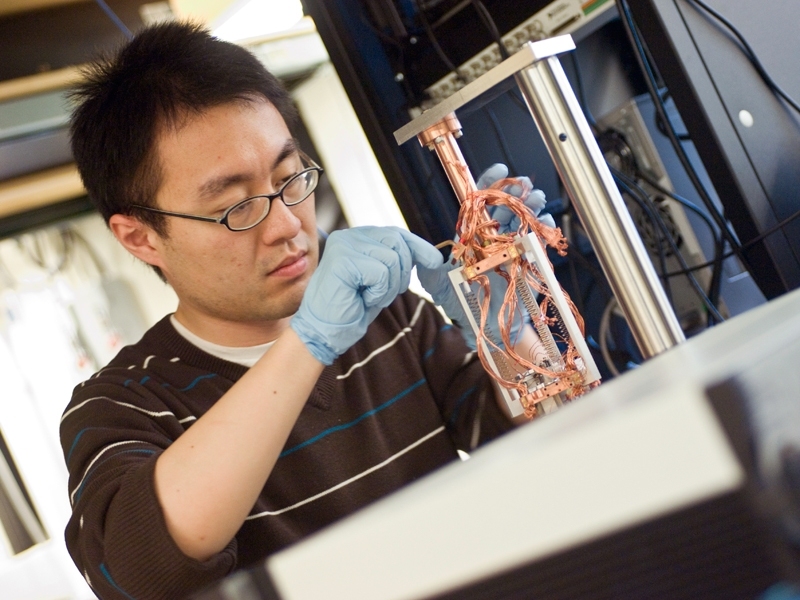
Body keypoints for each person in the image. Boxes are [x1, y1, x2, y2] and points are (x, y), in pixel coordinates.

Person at [60, 21, 543, 600]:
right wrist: (308, 343)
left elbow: (547, 454)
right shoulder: (121, 405)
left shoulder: (393, 323)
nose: (288, 225)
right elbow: (142, 570)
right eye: (236, 207)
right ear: (140, 237)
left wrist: (514, 333)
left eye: (291, 179)